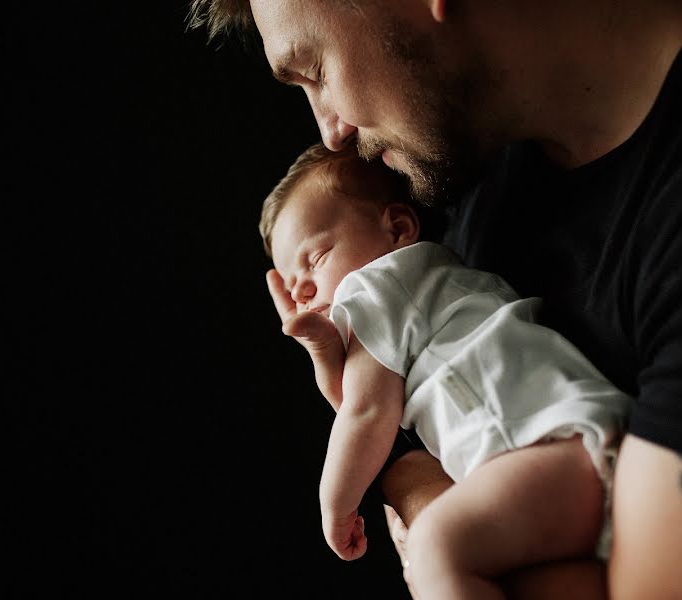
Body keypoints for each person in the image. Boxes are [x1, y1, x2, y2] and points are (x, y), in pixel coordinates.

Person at [189, 1, 682, 597]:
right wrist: (405, 465)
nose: (330, 131)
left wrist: (419, 500)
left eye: (317, 70)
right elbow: (418, 444)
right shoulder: (478, 175)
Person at [260, 141, 630, 599]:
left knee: (435, 545)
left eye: (314, 259)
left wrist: (335, 506)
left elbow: (366, 413)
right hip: (581, 446)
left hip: (543, 449)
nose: (306, 290)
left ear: (397, 229)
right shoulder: (441, 281)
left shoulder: (376, 288)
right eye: (295, 290)